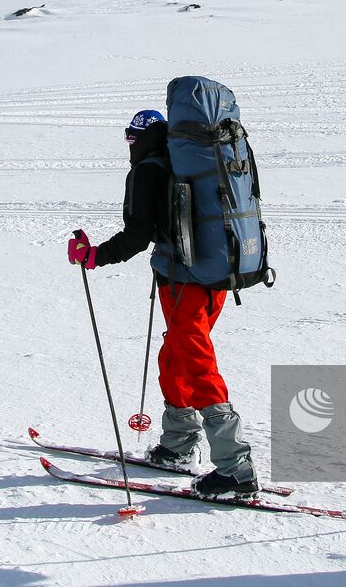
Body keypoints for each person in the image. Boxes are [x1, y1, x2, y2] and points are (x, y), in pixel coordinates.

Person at [67, 110, 260, 497]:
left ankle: (235, 468)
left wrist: (94, 256)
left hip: (184, 282)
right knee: (173, 359)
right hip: (216, 278)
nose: (129, 146)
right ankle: (177, 446)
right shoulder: (191, 161)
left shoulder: (147, 170)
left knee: (198, 366)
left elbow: (137, 235)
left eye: (130, 139)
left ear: (140, 139)